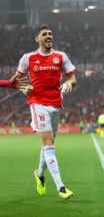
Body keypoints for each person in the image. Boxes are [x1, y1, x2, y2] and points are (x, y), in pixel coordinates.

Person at [11, 26, 76, 199]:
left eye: (50, 34)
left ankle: (39, 174)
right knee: (48, 142)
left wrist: (69, 83)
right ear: (37, 39)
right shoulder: (28, 58)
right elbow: (15, 80)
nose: (48, 36)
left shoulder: (61, 56)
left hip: (56, 104)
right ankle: (61, 187)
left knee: (49, 145)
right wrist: (25, 88)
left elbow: (72, 78)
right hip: (37, 104)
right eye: (44, 34)